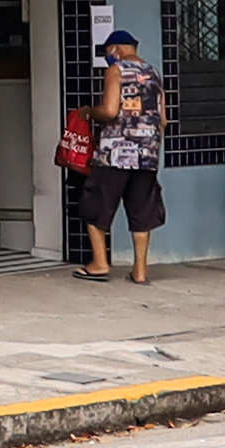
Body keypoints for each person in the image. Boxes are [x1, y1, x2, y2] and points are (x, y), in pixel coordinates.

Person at [77, 30, 165, 284]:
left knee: (96, 206)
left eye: (107, 52)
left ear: (115, 48)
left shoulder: (116, 71)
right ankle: (140, 272)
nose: (107, 57)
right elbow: (163, 120)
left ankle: (99, 264)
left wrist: (89, 113)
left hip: (115, 154)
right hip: (147, 155)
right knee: (142, 211)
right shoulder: (155, 73)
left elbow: (110, 110)